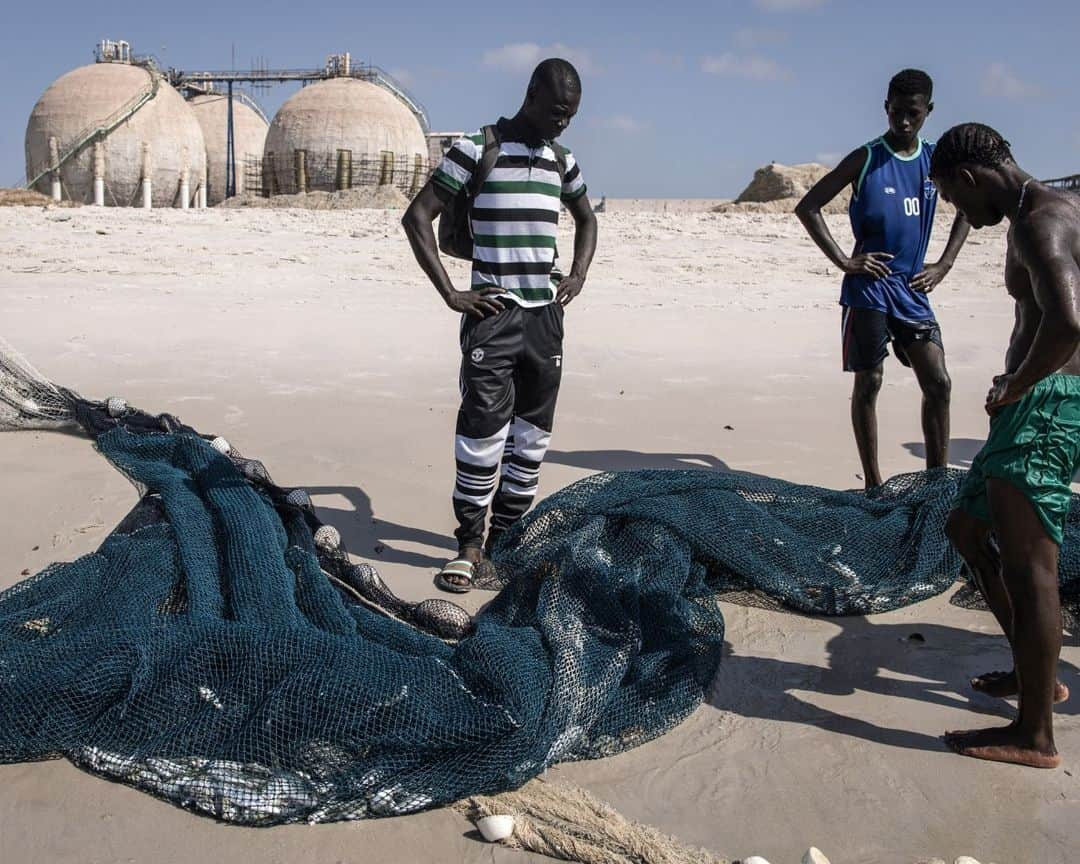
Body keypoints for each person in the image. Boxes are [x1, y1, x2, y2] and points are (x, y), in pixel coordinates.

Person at [401, 58, 597, 592]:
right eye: (558, 111)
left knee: (531, 438)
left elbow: (587, 218)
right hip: (494, 316)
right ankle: (469, 544)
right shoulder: (476, 147)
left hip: (546, 320)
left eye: (571, 115)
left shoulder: (562, 159)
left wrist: (577, 275)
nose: (564, 122)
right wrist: (452, 293)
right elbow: (417, 216)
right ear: (532, 94)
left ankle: (507, 542)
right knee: (482, 432)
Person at [933, 123, 1080, 769]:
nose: (960, 214)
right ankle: (1033, 671)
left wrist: (1017, 385)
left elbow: (1069, 319)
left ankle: (1035, 734)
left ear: (968, 178)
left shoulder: (1035, 223)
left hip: (1045, 408)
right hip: (1033, 402)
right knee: (967, 529)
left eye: (953, 199)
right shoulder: (1056, 206)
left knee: (1032, 566)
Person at [796, 69, 970, 489]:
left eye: (913, 113)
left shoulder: (935, 161)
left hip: (912, 290)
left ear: (928, 111)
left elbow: (967, 208)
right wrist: (844, 260)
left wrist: (943, 265)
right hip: (868, 289)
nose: (904, 122)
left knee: (939, 382)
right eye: (896, 112)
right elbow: (809, 206)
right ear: (885, 108)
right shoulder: (866, 158)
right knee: (870, 381)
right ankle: (874, 485)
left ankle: (936, 482)